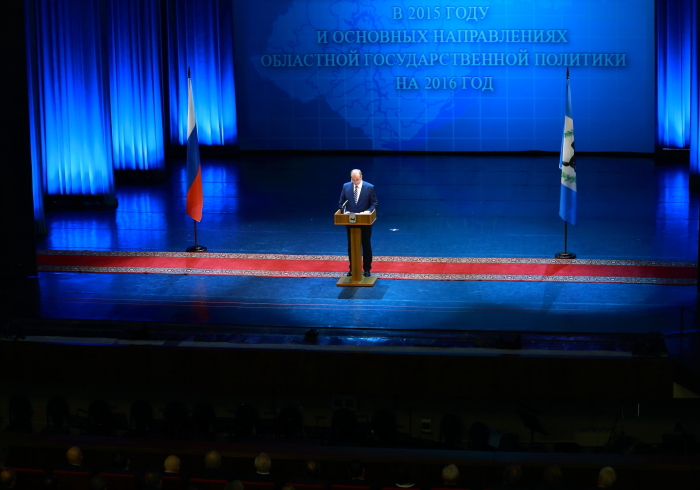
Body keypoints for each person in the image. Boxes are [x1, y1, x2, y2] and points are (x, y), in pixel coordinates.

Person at [338, 169, 378, 277]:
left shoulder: (369, 187)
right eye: (353, 179)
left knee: (366, 245)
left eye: (357, 179)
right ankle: (353, 268)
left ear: (361, 177)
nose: (355, 182)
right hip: (350, 220)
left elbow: (374, 204)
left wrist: (368, 211)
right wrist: (344, 211)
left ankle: (367, 269)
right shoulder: (346, 186)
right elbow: (341, 204)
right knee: (352, 246)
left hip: (365, 221)